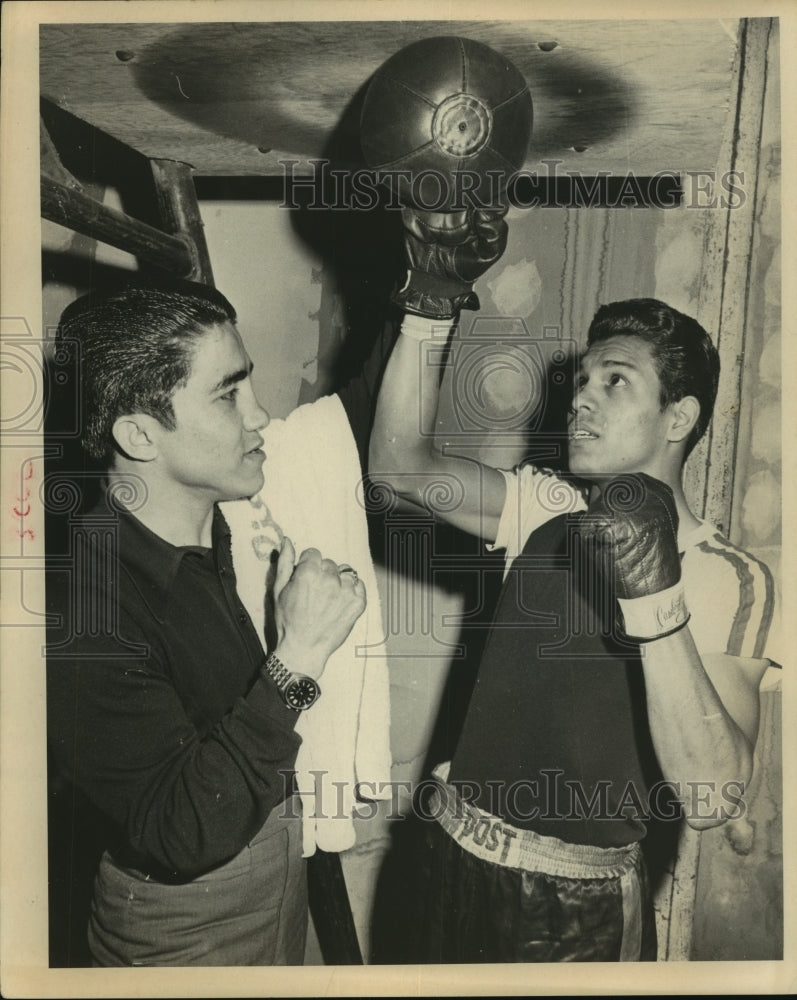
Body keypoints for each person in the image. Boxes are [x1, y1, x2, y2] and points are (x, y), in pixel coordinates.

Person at [369, 208, 778, 962]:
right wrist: (428, 305)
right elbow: (399, 469)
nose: (580, 397)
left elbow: (714, 797)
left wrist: (655, 599)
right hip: (449, 853)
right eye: (582, 379)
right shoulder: (546, 507)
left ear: (677, 416)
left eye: (614, 382)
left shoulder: (729, 577)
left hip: (570, 911)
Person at [45, 283, 367, 966]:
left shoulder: (206, 525)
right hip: (182, 921)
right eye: (228, 396)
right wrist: (299, 652)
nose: (261, 416)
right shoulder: (84, 607)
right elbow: (180, 832)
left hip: (274, 861)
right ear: (138, 434)